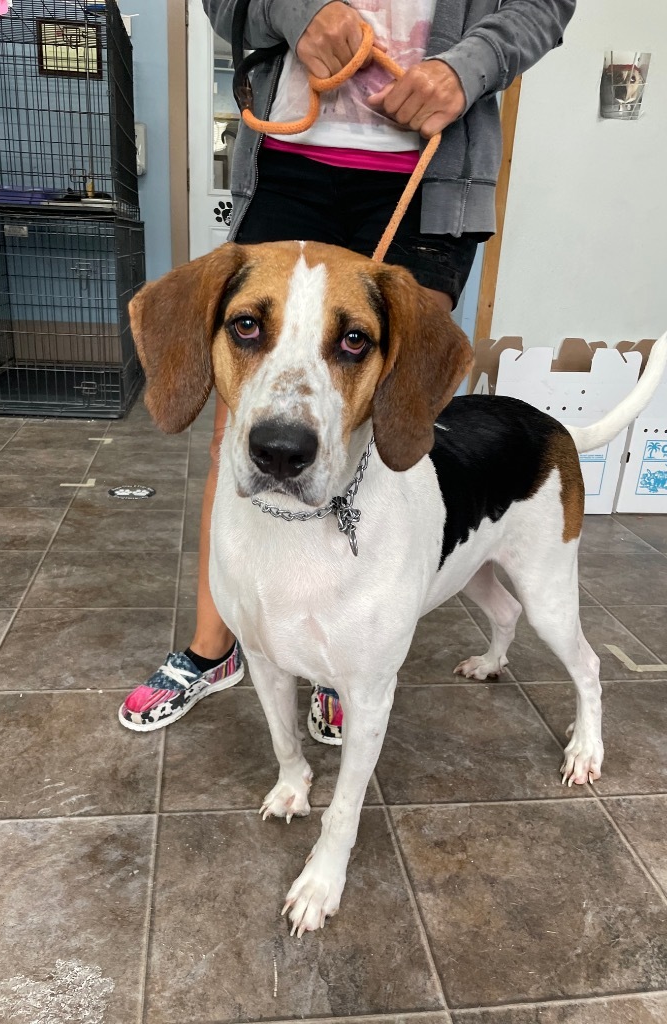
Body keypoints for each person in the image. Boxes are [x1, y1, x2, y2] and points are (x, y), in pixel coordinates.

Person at [119, 0, 576, 739]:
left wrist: (469, 66)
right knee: (242, 427)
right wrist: (292, 11)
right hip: (291, 155)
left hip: (431, 163)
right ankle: (220, 644)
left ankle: (346, 654)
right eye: (243, 328)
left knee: (390, 432)